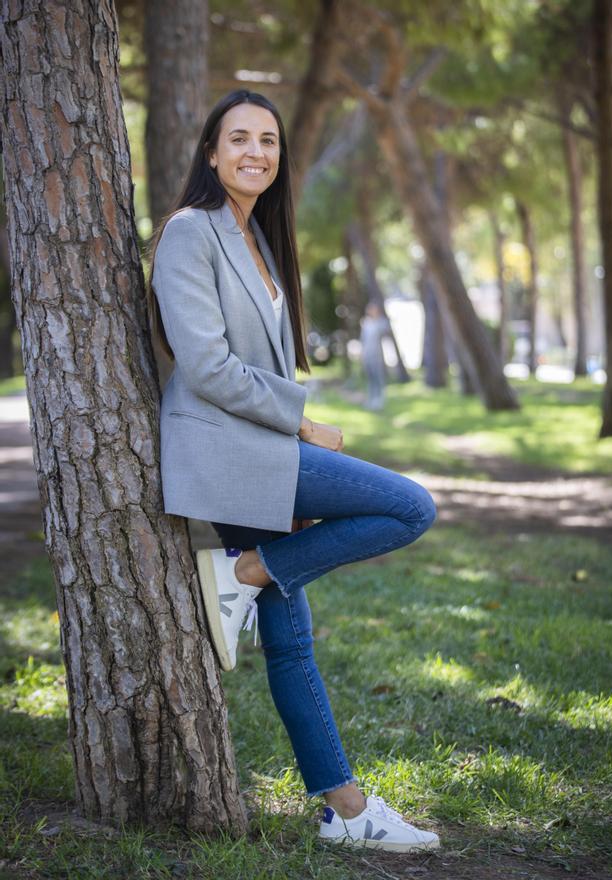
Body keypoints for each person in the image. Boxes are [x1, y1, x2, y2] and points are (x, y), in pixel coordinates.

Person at [147, 89, 439, 853]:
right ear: (211, 153)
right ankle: (243, 572)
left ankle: (347, 811)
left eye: (269, 141)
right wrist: (302, 423)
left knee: (292, 642)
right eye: (238, 138)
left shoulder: (258, 238)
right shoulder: (190, 232)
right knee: (409, 508)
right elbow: (205, 365)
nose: (256, 152)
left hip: (259, 454)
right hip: (226, 447)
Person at [360, 301, 390, 410]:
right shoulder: (366, 323)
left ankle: (379, 400)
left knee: (378, 378)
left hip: (377, 356)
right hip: (367, 355)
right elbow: (363, 340)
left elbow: (386, 329)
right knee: (370, 378)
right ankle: (371, 399)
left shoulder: (380, 323)